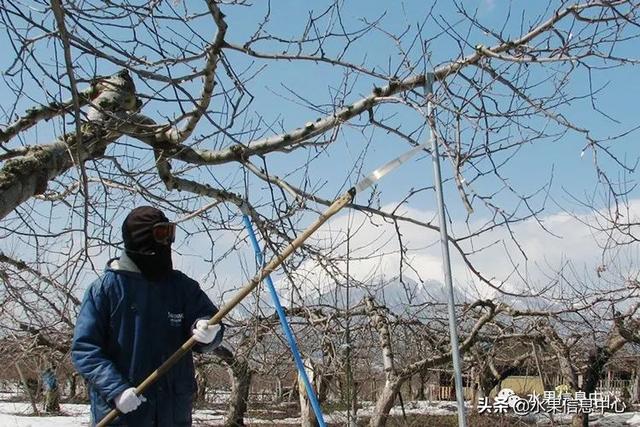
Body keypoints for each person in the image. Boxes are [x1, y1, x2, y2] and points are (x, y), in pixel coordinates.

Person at [71, 206, 224, 426]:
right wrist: (116, 389)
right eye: (162, 234)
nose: (168, 243)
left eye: (170, 234)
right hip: (122, 416)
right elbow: (85, 349)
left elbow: (211, 318)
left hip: (172, 414)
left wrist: (209, 331)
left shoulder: (182, 287)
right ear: (140, 239)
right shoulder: (105, 290)